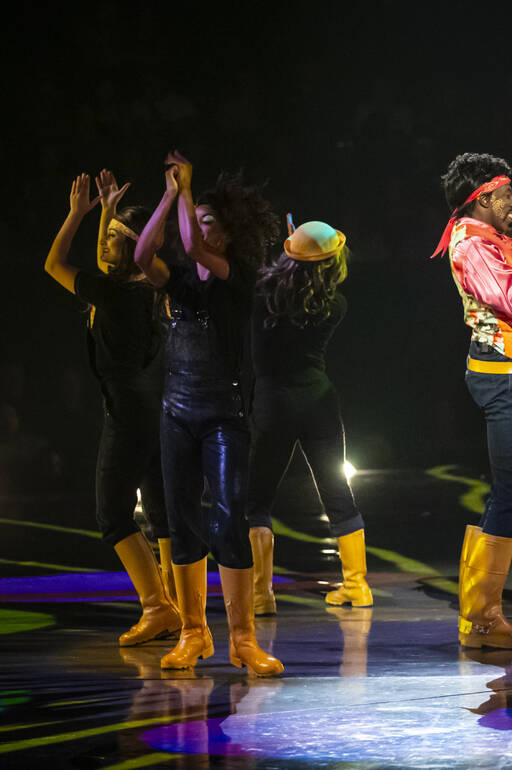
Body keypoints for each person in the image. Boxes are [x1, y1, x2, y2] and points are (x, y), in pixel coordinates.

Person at [134, 152, 283, 676]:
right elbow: (142, 252)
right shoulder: (178, 277)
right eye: (197, 219)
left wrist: (189, 190)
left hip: (224, 414)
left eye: (210, 219)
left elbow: (194, 243)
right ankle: (194, 633)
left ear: (228, 232)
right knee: (180, 520)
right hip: (176, 411)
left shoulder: (237, 274)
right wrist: (170, 196)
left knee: (229, 520)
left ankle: (242, 639)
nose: (200, 226)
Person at [43, 171, 178, 646]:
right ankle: (176, 607)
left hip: (129, 413)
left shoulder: (113, 293)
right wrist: (105, 213)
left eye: (117, 238)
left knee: (112, 515)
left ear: (134, 248)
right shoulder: (146, 289)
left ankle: (158, 607)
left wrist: (78, 212)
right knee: (160, 511)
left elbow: (54, 263)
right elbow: (109, 260)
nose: (105, 244)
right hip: (155, 411)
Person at [433, 152, 512, 649]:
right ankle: (481, 620)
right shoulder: (473, 248)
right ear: (483, 199)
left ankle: (479, 615)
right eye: (506, 194)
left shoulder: (492, 238)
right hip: (504, 374)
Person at [246, 218, 372, 615]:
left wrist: (291, 249)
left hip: (273, 405)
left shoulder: (260, 294)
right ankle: (357, 586)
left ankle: (261, 595)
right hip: (318, 401)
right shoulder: (337, 303)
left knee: (258, 501)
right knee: (338, 495)